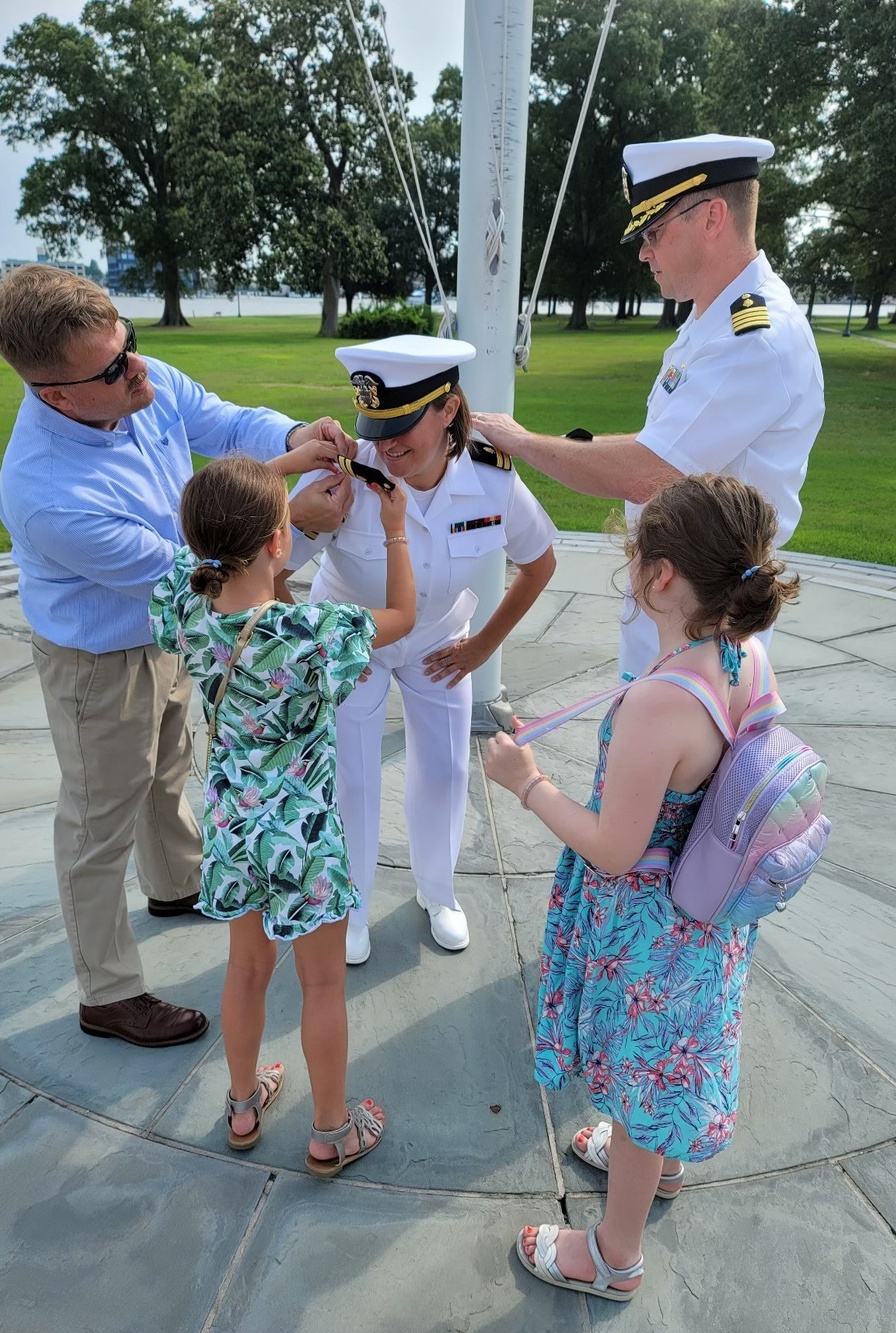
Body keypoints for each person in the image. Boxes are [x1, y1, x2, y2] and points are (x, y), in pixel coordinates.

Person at [0, 264, 356, 1048]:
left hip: (164, 636)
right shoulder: (45, 491)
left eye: (132, 343)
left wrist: (292, 438)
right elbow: (189, 572)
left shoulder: (132, 383)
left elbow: (220, 422)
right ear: (56, 394)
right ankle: (109, 990)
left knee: (165, 764)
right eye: (113, 366)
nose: (138, 368)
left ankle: (174, 883)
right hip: (96, 660)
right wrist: (289, 512)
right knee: (98, 815)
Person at [484, 473, 799, 1301]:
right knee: (669, 1063)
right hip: (709, 918)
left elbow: (615, 849)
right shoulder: (742, 652)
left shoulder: (663, 701)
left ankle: (614, 1254)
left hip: (651, 928)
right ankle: (657, 1167)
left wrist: (526, 782)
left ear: (659, 576)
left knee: (638, 1071)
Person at [472, 133, 825, 680]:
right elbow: (661, 442)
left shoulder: (753, 339)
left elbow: (649, 473)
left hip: (705, 625)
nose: (643, 251)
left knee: (660, 761)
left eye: (654, 232)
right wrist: (568, 445)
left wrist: (519, 440)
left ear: (711, 218)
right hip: (677, 604)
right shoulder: (711, 322)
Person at [150, 456, 415, 1169]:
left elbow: (198, 537)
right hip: (303, 836)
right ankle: (331, 1129)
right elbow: (404, 617)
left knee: (245, 969)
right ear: (278, 542)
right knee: (323, 982)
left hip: (235, 830)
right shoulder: (314, 634)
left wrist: (283, 473)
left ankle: (242, 1106)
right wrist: (394, 530)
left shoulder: (186, 604)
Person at [282, 335, 558, 965]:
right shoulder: (345, 480)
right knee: (351, 776)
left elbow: (538, 562)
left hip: (439, 640)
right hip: (356, 640)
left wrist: (482, 646)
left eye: (402, 424)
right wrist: (315, 639)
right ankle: (350, 907)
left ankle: (439, 892)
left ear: (448, 412)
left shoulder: (492, 478)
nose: (385, 443)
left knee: (444, 769)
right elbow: (274, 563)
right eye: (376, 426)